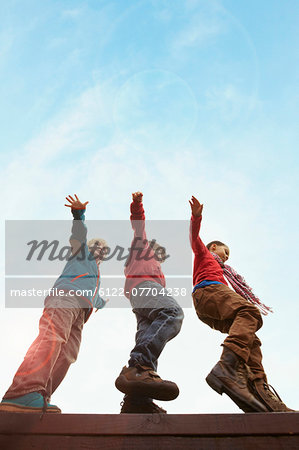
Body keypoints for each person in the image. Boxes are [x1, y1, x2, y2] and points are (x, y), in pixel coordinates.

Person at [0, 195, 108, 413]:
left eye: (104, 250)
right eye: (97, 246)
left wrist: (101, 302)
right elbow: (78, 235)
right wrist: (79, 215)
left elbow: (92, 294)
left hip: (81, 311)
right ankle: (23, 391)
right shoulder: (80, 253)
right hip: (65, 298)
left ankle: (40, 396)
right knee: (52, 337)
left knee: (68, 354)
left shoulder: (96, 272)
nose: (100, 250)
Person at [189, 195, 293, 413]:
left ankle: (260, 393)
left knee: (252, 339)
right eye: (224, 252)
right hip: (208, 292)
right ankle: (227, 366)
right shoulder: (204, 254)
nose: (226, 258)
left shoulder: (223, 271)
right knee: (249, 311)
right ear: (214, 247)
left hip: (209, 305)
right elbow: (194, 238)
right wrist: (196, 216)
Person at [115, 192, 184, 413]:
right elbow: (138, 225)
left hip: (142, 300)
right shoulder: (141, 247)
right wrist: (137, 205)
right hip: (144, 289)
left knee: (146, 334)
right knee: (172, 312)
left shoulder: (159, 273)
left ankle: (137, 399)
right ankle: (140, 364)